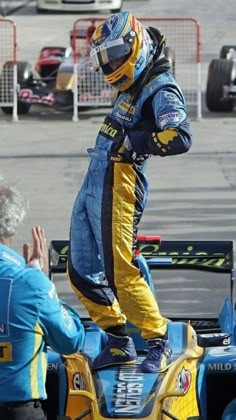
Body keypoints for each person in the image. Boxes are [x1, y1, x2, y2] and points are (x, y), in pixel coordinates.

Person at [68, 11, 192, 374]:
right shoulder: (133, 85)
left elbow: (180, 137)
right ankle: (119, 342)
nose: (112, 64)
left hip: (120, 184)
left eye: (117, 55)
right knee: (80, 269)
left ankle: (158, 340)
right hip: (96, 180)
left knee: (121, 271)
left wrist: (133, 141)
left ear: (136, 46)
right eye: (105, 59)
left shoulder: (161, 87)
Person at [0, 176, 85, 420]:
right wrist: (41, 279)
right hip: (17, 411)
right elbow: (70, 341)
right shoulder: (30, 284)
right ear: (13, 223)